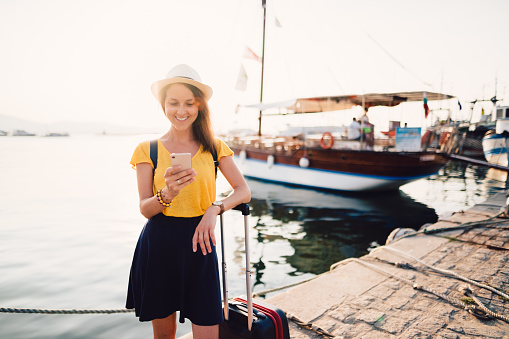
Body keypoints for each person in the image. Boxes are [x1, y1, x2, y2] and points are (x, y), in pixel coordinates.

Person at [126, 64, 251, 339]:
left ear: (199, 106)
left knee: (208, 329)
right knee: (164, 336)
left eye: (188, 103)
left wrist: (214, 209)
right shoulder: (148, 149)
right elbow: (145, 208)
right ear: (163, 105)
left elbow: (243, 191)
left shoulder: (215, 147)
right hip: (159, 245)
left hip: (201, 242)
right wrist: (166, 195)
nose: (181, 111)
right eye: (173, 103)